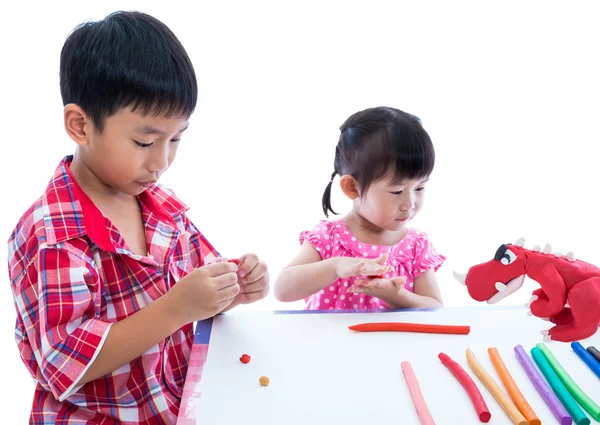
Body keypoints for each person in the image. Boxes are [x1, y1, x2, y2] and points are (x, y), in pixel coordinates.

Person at [7, 11, 269, 424]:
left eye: (177, 139)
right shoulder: (53, 235)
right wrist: (178, 308)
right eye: (145, 141)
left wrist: (235, 283)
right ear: (80, 125)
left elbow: (202, 281)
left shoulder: (159, 205)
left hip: (176, 406)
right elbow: (65, 364)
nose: (162, 160)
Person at [274, 106, 444, 310]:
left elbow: (435, 307)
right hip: (329, 342)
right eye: (397, 191)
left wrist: (396, 295)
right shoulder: (329, 238)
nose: (410, 203)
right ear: (352, 187)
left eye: (420, 187)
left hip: (393, 343)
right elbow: (282, 289)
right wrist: (335, 266)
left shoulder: (416, 245)